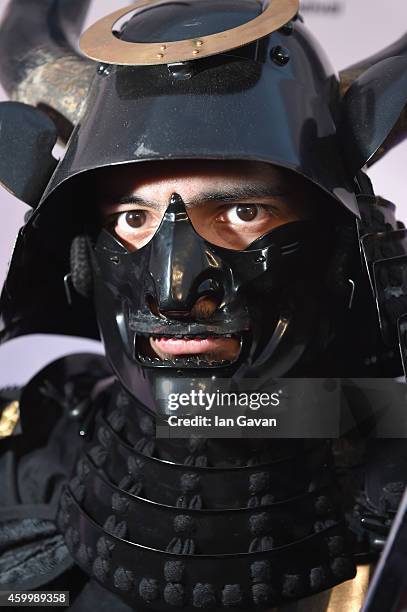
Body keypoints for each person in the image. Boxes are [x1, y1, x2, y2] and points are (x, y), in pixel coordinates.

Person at [0, 0, 406, 610]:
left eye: (244, 212)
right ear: (84, 256)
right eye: (133, 218)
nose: (175, 290)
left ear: (336, 248)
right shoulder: (34, 446)